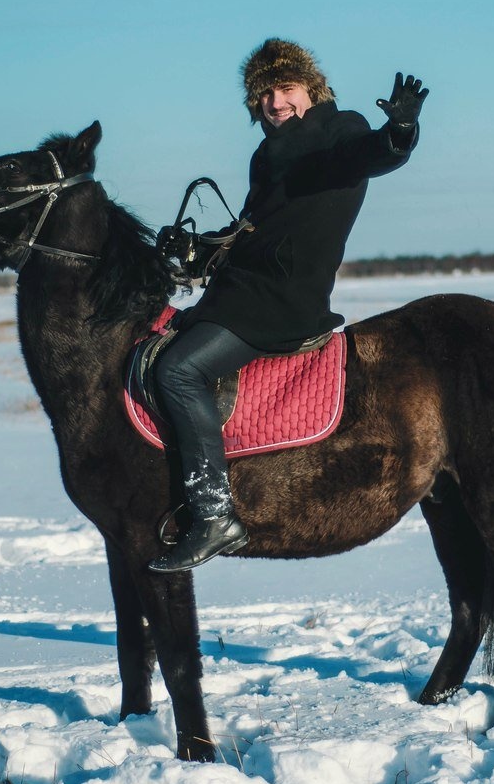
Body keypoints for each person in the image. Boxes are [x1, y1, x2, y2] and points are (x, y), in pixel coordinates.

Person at [145, 37, 428, 573]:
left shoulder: (335, 130)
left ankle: (213, 514)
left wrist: (400, 133)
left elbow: (367, 156)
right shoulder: (267, 155)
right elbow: (256, 231)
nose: (275, 102)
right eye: (265, 94)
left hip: (282, 305)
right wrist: (202, 251)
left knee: (179, 370)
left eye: (286, 88)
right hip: (244, 295)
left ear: (311, 88)